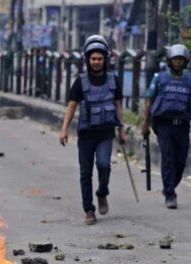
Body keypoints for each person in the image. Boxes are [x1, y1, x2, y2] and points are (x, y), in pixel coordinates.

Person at [59, 35, 127, 225]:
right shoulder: (80, 82)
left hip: (105, 133)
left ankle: (102, 192)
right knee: (85, 173)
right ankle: (89, 210)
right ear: (88, 59)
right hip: (86, 135)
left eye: (100, 58)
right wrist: (64, 129)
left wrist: (122, 130)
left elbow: (118, 105)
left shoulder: (114, 80)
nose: (96, 62)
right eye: (93, 58)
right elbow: (71, 106)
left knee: (104, 165)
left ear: (105, 59)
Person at [141, 44, 191, 209]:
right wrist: (145, 124)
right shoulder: (159, 78)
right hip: (164, 125)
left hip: (182, 126)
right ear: (170, 61)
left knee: (180, 162)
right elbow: (149, 101)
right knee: (168, 158)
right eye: (175, 59)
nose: (178, 62)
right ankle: (170, 194)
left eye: (181, 60)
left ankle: (169, 186)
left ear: (185, 62)